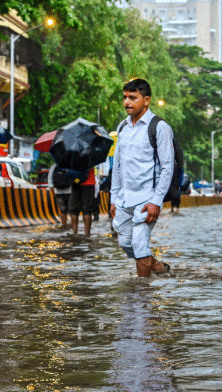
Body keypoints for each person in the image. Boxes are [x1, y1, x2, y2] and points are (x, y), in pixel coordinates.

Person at [110, 78, 173, 277]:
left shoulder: (160, 127)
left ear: (146, 100)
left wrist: (156, 201)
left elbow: (167, 167)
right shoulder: (122, 127)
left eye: (132, 98)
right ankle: (157, 267)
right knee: (126, 244)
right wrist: (113, 199)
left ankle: (142, 300)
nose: (126, 102)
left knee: (139, 245)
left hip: (147, 200)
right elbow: (117, 166)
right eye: (125, 97)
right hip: (124, 199)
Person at [69, 167, 95, 236]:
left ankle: (74, 233)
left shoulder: (72, 156)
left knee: (74, 210)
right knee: (87, 210)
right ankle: (87, 234)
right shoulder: (91, 156)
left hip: (75, 183)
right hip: (88, 184)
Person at [48, 163, 71, 228]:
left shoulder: (54, 166)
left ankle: (64, 226)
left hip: (58, 192)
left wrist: (52, 189)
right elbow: (76, 177)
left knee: (63, 210)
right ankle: (73, 227)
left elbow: (50, 179)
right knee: (72, 210)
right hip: (70, 191)